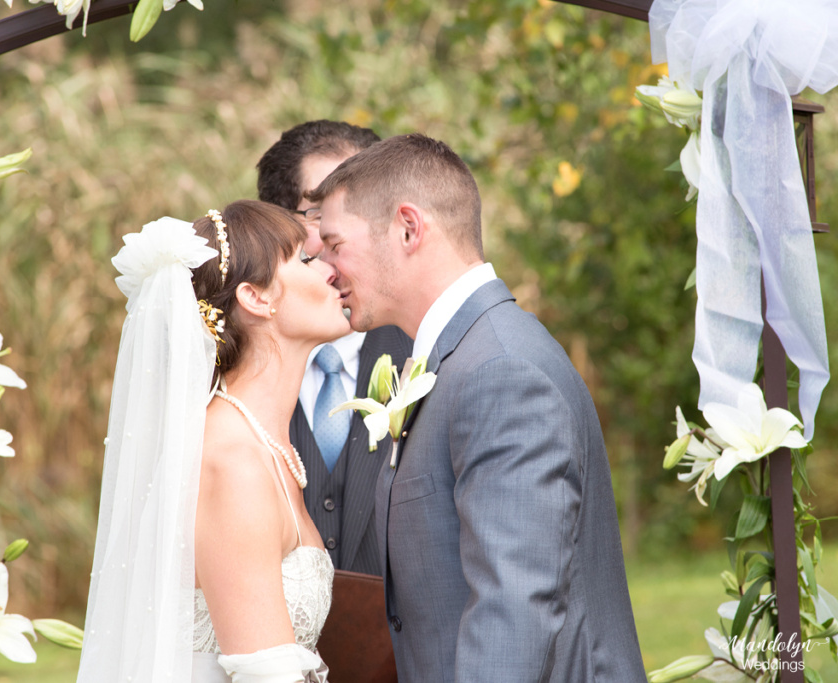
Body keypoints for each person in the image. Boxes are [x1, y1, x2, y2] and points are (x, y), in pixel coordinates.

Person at [309, 134, 646, 682]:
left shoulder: (500, 372)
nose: (325, 267)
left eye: (334, 244)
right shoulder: (461, 358)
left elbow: (513, 611)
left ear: (408, 228)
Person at [77, 200, 350, 682]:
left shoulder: (265, 444)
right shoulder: (232, 459)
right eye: (306, 260)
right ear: (256, 297)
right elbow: (268, 674)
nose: (330, 268)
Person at [257, 121, 412, 575]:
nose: (349, 233)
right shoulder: (223, 374)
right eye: (322, 211)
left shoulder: (426, 354)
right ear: (276, 228)